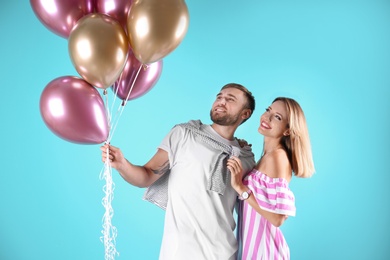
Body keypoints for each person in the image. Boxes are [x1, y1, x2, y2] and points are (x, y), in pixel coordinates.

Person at [101, 83, 257, 260]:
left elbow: (252, 207)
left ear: (245, 114)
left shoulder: (246, 158)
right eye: (219, 97)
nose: (221, 102)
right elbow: (146, 176)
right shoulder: (184, 134)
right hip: (180, 253)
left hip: (225, 253)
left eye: (230, 99)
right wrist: (122, 164)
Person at [227, 97, 315, 260]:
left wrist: (241, 189)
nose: (267, 117)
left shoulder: (277, 157)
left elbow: (277, 218)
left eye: (278, 117)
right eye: (268, 110)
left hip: (264, 252)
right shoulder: (267, 156)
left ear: (288, 130)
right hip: (251, 250)